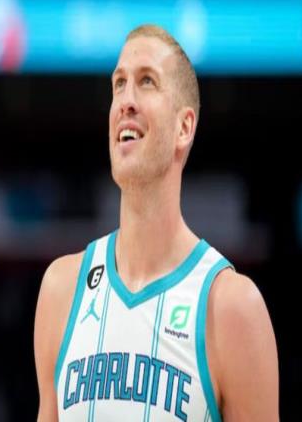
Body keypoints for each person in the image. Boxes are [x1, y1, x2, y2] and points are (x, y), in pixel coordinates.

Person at [34, 24, 279, 421]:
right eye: (119, 84)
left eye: (147, 81)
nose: (126, 101)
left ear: (185, 127)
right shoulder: (61, 290)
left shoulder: (232, 307)